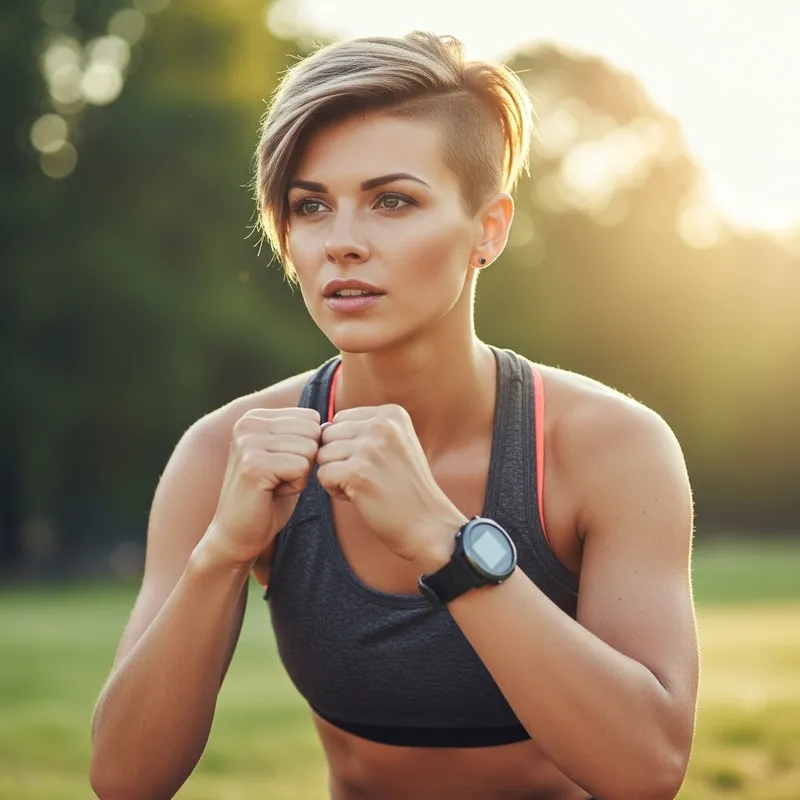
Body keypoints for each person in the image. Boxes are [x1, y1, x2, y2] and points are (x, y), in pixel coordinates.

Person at [89, 31, 699, 800]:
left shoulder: (612, 449)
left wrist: (445, 548)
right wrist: (222, 553)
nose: (342, 243)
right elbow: (122, 780)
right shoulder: (223, 454)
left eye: (392, 200)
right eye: (310, 206)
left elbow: (647, 770)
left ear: (490, 229)